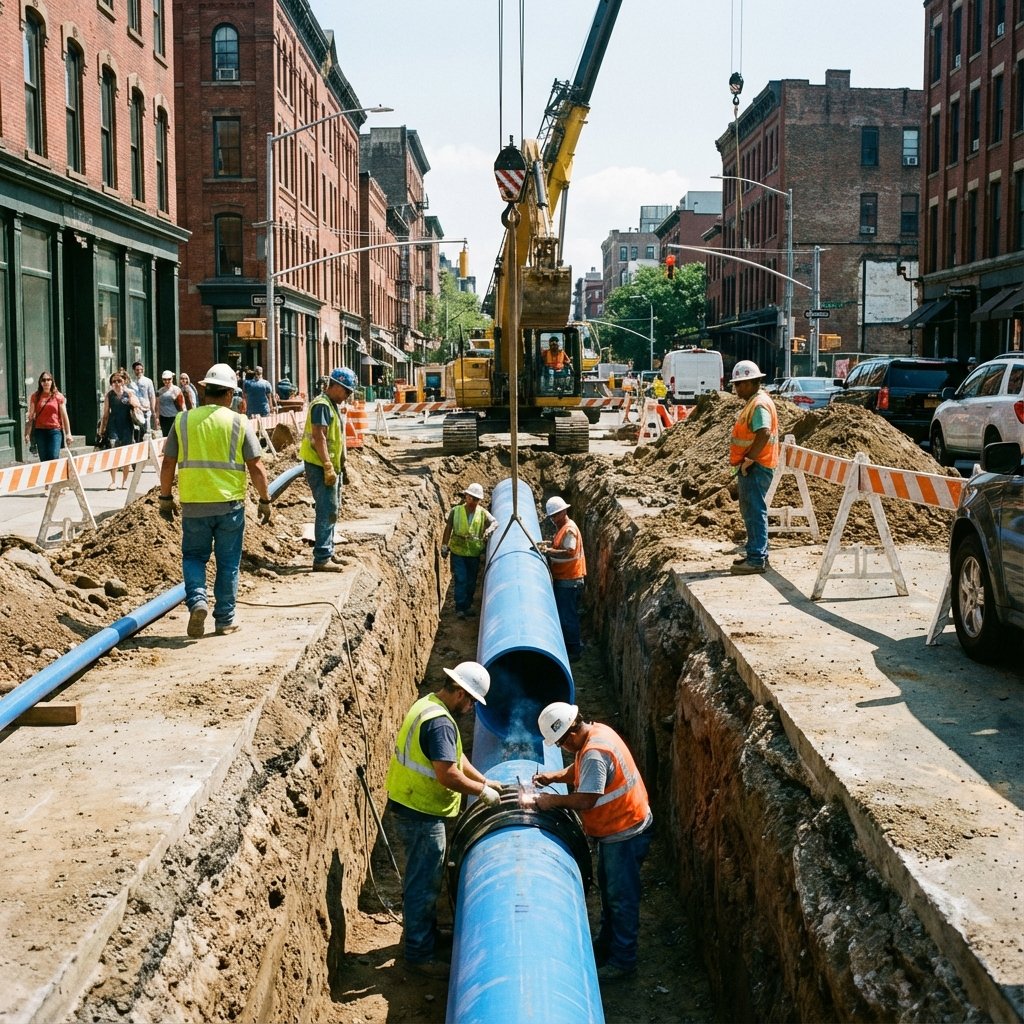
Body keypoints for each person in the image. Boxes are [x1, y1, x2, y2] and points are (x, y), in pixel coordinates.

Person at [385, 661, 502, 977]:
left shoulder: (430, 705)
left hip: (412, 805)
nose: (472, 708)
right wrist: (482, 792)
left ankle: (428, 936)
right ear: (461, 693)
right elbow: (447, 773)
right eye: (472, 701)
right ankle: (419, 954)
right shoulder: (440, 724)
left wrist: (484, 780)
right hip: (420, 814)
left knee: (425, 878)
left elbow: (454, 755)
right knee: (424, 883)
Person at [533, 702, 653, 981]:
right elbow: (580, 770)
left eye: (561, 743)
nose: (562, 748)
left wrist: (552, 802)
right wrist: (554, 776)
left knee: (621, 898)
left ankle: (623, 961)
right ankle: (606, 944)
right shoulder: (596, 733)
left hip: (624, 832)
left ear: (572, 734)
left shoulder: (595, 754)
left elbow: (587, 799)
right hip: (619, 828)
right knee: (610, 893)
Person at [158, 362, 273, 638]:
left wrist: (165, 498)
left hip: (194, 504)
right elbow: (256, 466)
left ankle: (198, 600)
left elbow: (168, 463)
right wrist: (265, 499)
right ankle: (225, 619)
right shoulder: (238, 422)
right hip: (229, 505)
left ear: (205, 390)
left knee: (194, 556)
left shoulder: (183, 421)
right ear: (230, 394)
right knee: (228, 563)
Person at [299, 366, 355, 572]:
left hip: (329, 465)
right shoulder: (322, 405)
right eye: (347, 391)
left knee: (332, 508)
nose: (348, 396)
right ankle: (322, 557)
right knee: (326, 509)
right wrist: (328, 465)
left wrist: (341, 465)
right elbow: (319, 437)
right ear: (336, 386)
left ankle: (328, 551)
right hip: (320, 465)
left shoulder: (331, 405)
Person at [728, 359, 779, 575]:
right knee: (751, 510)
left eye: (739, 384)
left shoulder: (758, 404)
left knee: (754, 511)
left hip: (757, 466)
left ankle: (756, 559)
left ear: (750, 382)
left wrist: (750, 459)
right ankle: (755, 554)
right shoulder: (755, 402)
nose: (736, 389)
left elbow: (764, 432)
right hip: (754, 465)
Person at [440, 483, 498, 619]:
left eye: (476, 499)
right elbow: (448, 528)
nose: (473, 502)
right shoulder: (456, 511)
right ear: (466, 496)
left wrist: (490, 529)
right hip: (458, 551)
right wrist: (444, 545)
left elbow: (495, 522)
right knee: (461, 578)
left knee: (471, 581)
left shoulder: (482, 512)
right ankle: (460, 608)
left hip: (474, 552)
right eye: (471, 498)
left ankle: (467, 605)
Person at [539, 495, 586, 660]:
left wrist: (548, 551)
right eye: (551, 516)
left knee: (567, 616)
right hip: (565, 579)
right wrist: (549, 545)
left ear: (564, 512)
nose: (553, 519)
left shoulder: (569, 529)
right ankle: (571, 645)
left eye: (555, 515)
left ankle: (574, 650)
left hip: (569, 580)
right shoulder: (563, 528)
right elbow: (560, 546)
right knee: (566, 614)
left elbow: (569, 551)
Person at [98, 372, 142, 490]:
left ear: (124, 381)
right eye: (114, 381)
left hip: (127, 425)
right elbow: (105, 414)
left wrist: (131, 398)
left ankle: (124, 482)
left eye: (119, 381)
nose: (117, 383)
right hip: (113, 425)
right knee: (114, 451)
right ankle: (113, 481)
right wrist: (102, 429)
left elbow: (137, 406)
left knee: (126, 453)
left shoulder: (129, 393)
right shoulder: (109, 395)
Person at [25, 371, 72, 467]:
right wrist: (27, 433)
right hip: (40, 431)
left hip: (55, 431)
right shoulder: (35, 396)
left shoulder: (58, 396)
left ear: (52, 381)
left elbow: (64, 416)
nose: (46, 382)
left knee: (54, 456)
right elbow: (31, 416)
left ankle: (53, 476)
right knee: (44, 459)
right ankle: (47, 477)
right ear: (40, 382)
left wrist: (68, 434)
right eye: (43, 380)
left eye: (48, 379)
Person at [128, 361, 156, 440]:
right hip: (135, 410)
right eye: (137, 370)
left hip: (146, 409)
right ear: (134, 370)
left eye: (141, 369)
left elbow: (152, 396)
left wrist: (153, 410)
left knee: (146, 431)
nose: (139, 371)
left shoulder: (148, 381)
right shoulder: (131, 383)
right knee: (137, 431)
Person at [156, 371, 185, 436]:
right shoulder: (159, 391)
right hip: (163, 418)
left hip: (174, 417)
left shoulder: (177, 390)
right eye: (164, 379)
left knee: (175, 436)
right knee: (165, 436)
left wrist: (183, 416)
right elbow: (157, 406)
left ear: (172, 379)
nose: (167, 381)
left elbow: (182, 405)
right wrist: (157, 418)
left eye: (169, 379)